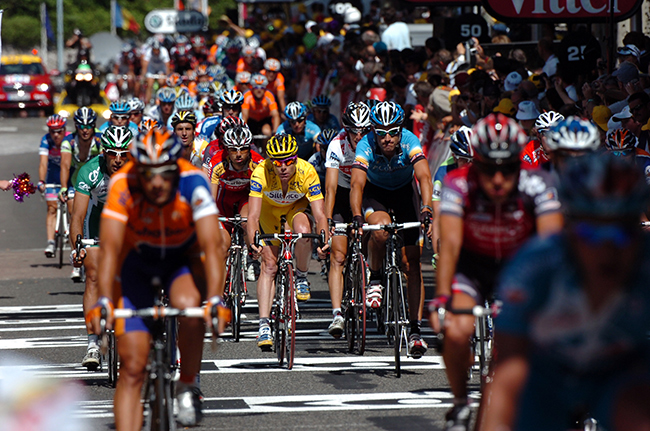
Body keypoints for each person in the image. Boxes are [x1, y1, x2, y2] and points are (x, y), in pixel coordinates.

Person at [479, 153, 650, 431]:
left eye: (621, 234)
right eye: (591, 233)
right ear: (568, 230)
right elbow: (507, 376)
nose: (607, 250)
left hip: (619, 372)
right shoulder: (535, 266)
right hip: (546, 376)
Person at [430, 113, 563, 431]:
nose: (499, 179)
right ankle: (460, 403)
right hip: (472, 267)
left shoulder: (539, 184)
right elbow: (448, 244)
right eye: (489, 168)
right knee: (457, 331)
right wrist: (441, 299)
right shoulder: (457, 183)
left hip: (518, 267)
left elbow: (551, 248)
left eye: (508, 168)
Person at [86, 128, 227, 429]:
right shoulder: (123, 184)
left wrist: (215, 299)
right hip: (135, 263)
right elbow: (109, 250)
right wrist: (104, 302)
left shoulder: (193, 182)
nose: (157, 182)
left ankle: (188, 384)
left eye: (165, 173)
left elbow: (212, 246)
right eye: (148, 175)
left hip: (179, 260)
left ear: (176, 167)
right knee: (133, 368)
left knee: (190, 307)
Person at [350, 101, 433, 358]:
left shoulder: (410, 140)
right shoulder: (366, 144)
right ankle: (375, 277)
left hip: (405, 194)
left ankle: (416, 331)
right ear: (373, 131)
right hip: (377, 195)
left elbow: (425, 177)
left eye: (393, 132)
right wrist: (355, 215)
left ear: (401, 131)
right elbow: (356, 184)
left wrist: (428, 208)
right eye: (382, 133)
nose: (387, 138)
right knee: (380, 230)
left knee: (412, 264)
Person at [247, 134, 330, 350]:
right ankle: (264, 325)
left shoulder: (307, 172)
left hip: (295, 209)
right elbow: (253, 216)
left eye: (288, 161)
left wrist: (323, 240)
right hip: (268, 213)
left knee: (304, 230)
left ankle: (301, 276)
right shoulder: (260, 172)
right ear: (269, 162)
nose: (283, 167)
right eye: (277, 162)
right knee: (270, 265)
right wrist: (253, 240)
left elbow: (320, 215)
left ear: (296, 159)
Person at [71, 125, 132, 370]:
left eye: (123, 153)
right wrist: (77, 247)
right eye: (112, 153)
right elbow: (77, 215)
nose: (118, 159)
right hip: (97, 222)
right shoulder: (89, 172)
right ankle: (93, 344)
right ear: (103, 153)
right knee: (93, 275)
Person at [323, 102, 372, 337]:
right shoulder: (336, 144)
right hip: (343, 195)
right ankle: (337, 315)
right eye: (355, 131)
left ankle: (374, 272)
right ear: (347, 129)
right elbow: (330, 188)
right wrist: (327, 223)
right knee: (338, 255)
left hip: (369, 192)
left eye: (365, 130)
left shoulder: (374, 143)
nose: (360, 136)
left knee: (377, 233)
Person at [209, 126, 265, 281]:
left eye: (243, 149)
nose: (239, 154)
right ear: (227, 149)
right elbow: (211, 198)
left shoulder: (257, 163)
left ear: (250, 148)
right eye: (233, 150)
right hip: (223, 200)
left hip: (245, 198)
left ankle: (252, 258)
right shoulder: (217, 163)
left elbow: (262, 195)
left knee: (247, 221)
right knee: (222, 248)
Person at [59, 107, 102, 279]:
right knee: (73, 210)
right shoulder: (68, 142)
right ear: (76, 126)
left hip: (96, 185)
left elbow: (104, 163)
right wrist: (63, 187)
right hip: (75, 183)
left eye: (89, 126)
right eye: (81, 126)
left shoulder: (99, 140)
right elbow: (64, 166)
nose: (85, 130)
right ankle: (76, 253)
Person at [37, 115, 71, 257]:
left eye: (59, 131)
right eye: (52, 131)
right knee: (51, 208)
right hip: (53, 177)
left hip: (69, 177)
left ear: (64, 130)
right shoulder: (46, 140)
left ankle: (72, 231)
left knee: (73, 208)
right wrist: (41, 181)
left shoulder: (70, 139)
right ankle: (51, 242)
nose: (56, 135)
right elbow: (43, 163)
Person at [141, 40, 171, 104]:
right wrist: (143, 76)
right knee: (149, 84)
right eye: (155, 50)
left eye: (157, 49)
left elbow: (167, 65)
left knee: (161, 81)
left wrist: (168, 76)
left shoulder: (164, 51)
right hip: (151, 68)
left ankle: (161, 100)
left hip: (161, 68)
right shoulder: (148, 51)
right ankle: (148, 103)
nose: (156, 51)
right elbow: (145, 64)